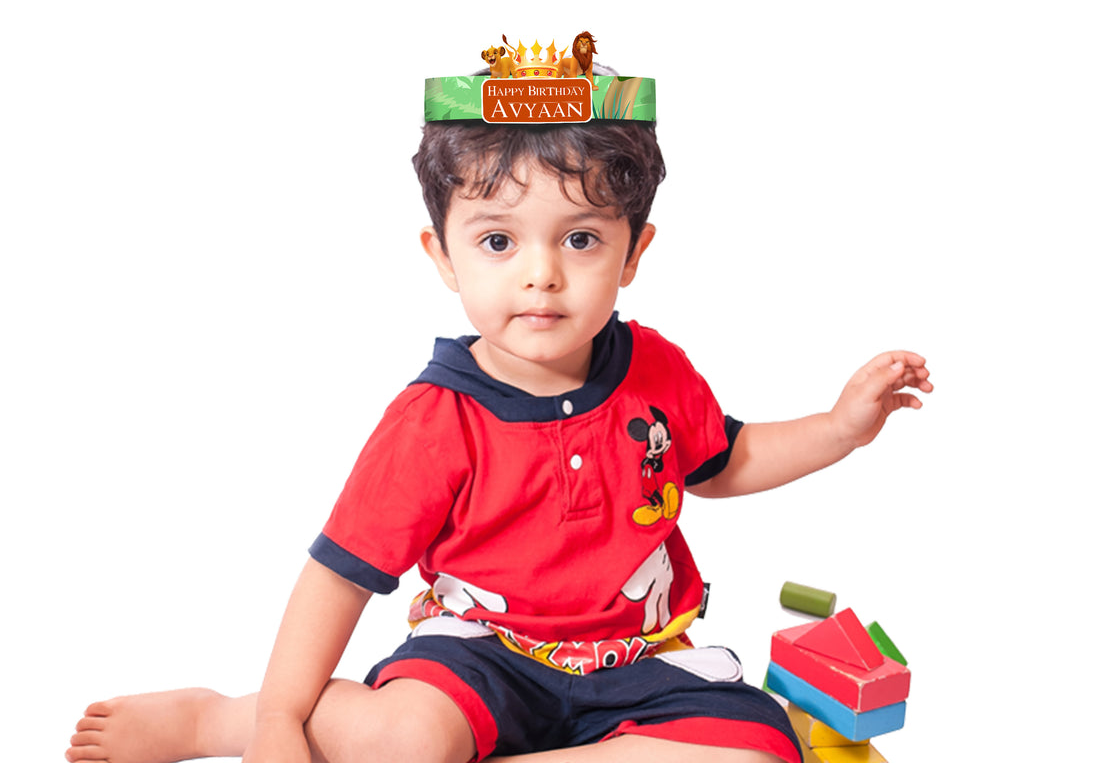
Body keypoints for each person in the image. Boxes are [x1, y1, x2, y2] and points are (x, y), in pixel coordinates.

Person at [66, 70, 932, 763]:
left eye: (581, 239)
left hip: (638, 664)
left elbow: (725, 461)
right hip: (477, 663)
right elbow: (339, 578)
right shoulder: (435, 419)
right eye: (497, 241)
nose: (541, 273)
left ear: (633, 253)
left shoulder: (654, 367)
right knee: (406, 741)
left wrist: (839, 427)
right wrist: (274, 725)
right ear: (443, 257)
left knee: (760, 749)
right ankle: (218, 717)